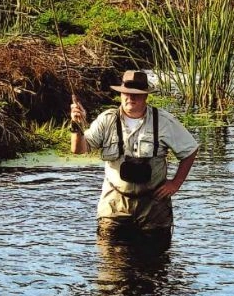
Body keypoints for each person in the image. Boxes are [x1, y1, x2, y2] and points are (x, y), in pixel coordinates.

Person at [70, 70, 198, 250]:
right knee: (112, 269)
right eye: (127, 93)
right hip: (114, 204)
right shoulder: (106, 120)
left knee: (156, 268)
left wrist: (175, 183)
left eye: (136, 94)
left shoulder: (163, 121)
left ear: (145, 96)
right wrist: (76, 126)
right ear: (121, 94)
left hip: (154, 207)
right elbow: (79, 150)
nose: (131, 97)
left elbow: (190, 150)